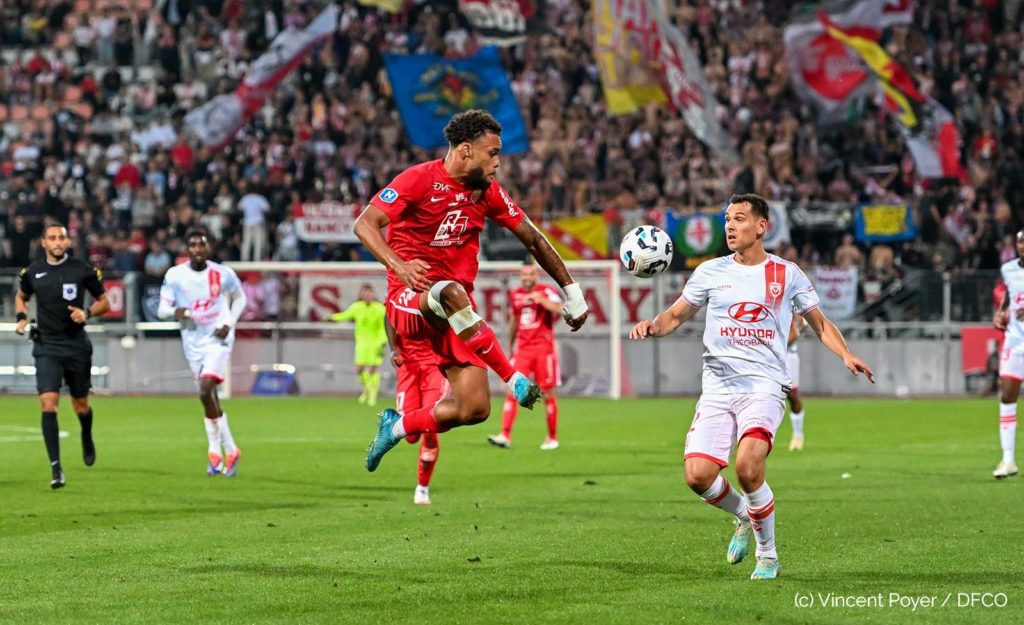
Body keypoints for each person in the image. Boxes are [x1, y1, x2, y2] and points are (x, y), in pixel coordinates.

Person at [629, 194, 874, 580]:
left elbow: (819, 322)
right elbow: (676, 315)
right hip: (717, 388)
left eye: (739, 219)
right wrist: (652, 325)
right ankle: (744, 515)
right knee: (697, 476)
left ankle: (768, 554)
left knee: (747, 466)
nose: (729, 226)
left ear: (761, 226)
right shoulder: (710, 271)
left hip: (763, 386)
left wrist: (846, 354)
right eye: (727, 219)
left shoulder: (786, 273)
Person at [354, 109, 589, 473]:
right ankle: (513, 378)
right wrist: (398, 265)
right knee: (449, 291)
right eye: (492, 153)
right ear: (465, 150)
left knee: (474, 409)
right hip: (410, 298)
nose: (498, 162)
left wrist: (572, 291)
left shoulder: (488, 192)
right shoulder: (417, 180)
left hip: (456, 313)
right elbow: (365, 224)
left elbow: (533, 238)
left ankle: (396, 426)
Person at [15, 223, 111, 489]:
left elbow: (105, 302)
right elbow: (21, 297)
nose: (57, 242)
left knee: (80, 404)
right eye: (52, 238)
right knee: (48, 403)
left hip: (76, 345)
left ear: (68, 242)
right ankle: (56, 469)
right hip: (46, 345)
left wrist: (87, 313)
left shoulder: (82, 269)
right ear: (44, 243)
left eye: (61, 238)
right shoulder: (33, 272)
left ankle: (86, 434)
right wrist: (21, 318)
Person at [158, 230, 248, 477]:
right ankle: (230, 449)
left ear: (209, 249)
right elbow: (162, 309)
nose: (198, 249)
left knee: (205, 389)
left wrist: (229, 323)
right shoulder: (175, 276)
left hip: (218, 339)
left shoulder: (223, 273)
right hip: (193, 343)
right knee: (211, 397)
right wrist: (178, 311)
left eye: (202, 245)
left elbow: (241, 299)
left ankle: (213, 448)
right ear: (187, 249)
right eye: (193, 244)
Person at [488, 263, 563, 450]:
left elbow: (560, 309)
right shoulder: (516, 294)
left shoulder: (547, 290)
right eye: (524, 274)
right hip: (523, 349)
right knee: (513, 389)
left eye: (530, 273)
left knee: (547, 392)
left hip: (543, 349)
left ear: (537, 275)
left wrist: (541, 300)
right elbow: (514, 320)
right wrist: (511, 345)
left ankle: (552, 438)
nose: (527, 277)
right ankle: (505, 435)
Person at [385, 318, 448, 505]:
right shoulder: (400, 290)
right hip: (407, 365)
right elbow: (388, 317)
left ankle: (422, 488)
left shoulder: (438, 292)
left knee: (431, 426)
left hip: (434, 366)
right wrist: (393, 349)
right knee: (410, 435)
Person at [991, 230, 1024, 479]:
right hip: (1015, 340)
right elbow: (1009, 297)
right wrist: (1001, 312)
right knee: (1007, 395)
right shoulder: (1008, 269)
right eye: (1021, 241)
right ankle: (1008, 460)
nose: (1022, 245)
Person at [326, 284, 387, 406]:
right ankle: (367, 389)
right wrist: (332, 317)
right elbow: (344, 315)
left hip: (376, 343)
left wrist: (383, 342)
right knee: (359, 369)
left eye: (370, 293)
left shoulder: (380, 308)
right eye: (365, 293)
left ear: (374, 294)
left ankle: (372, 396)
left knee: (373, 369)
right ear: (361, 295)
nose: (367, 295)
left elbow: (384, 327)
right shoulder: (357, 307)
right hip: (361, 343)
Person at [786, 314, 807, 451]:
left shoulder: (790, 298)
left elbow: (803, 323)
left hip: (788, 355)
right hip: (767, 355)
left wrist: (793, 335)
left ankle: (798, 434)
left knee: (792, 394)